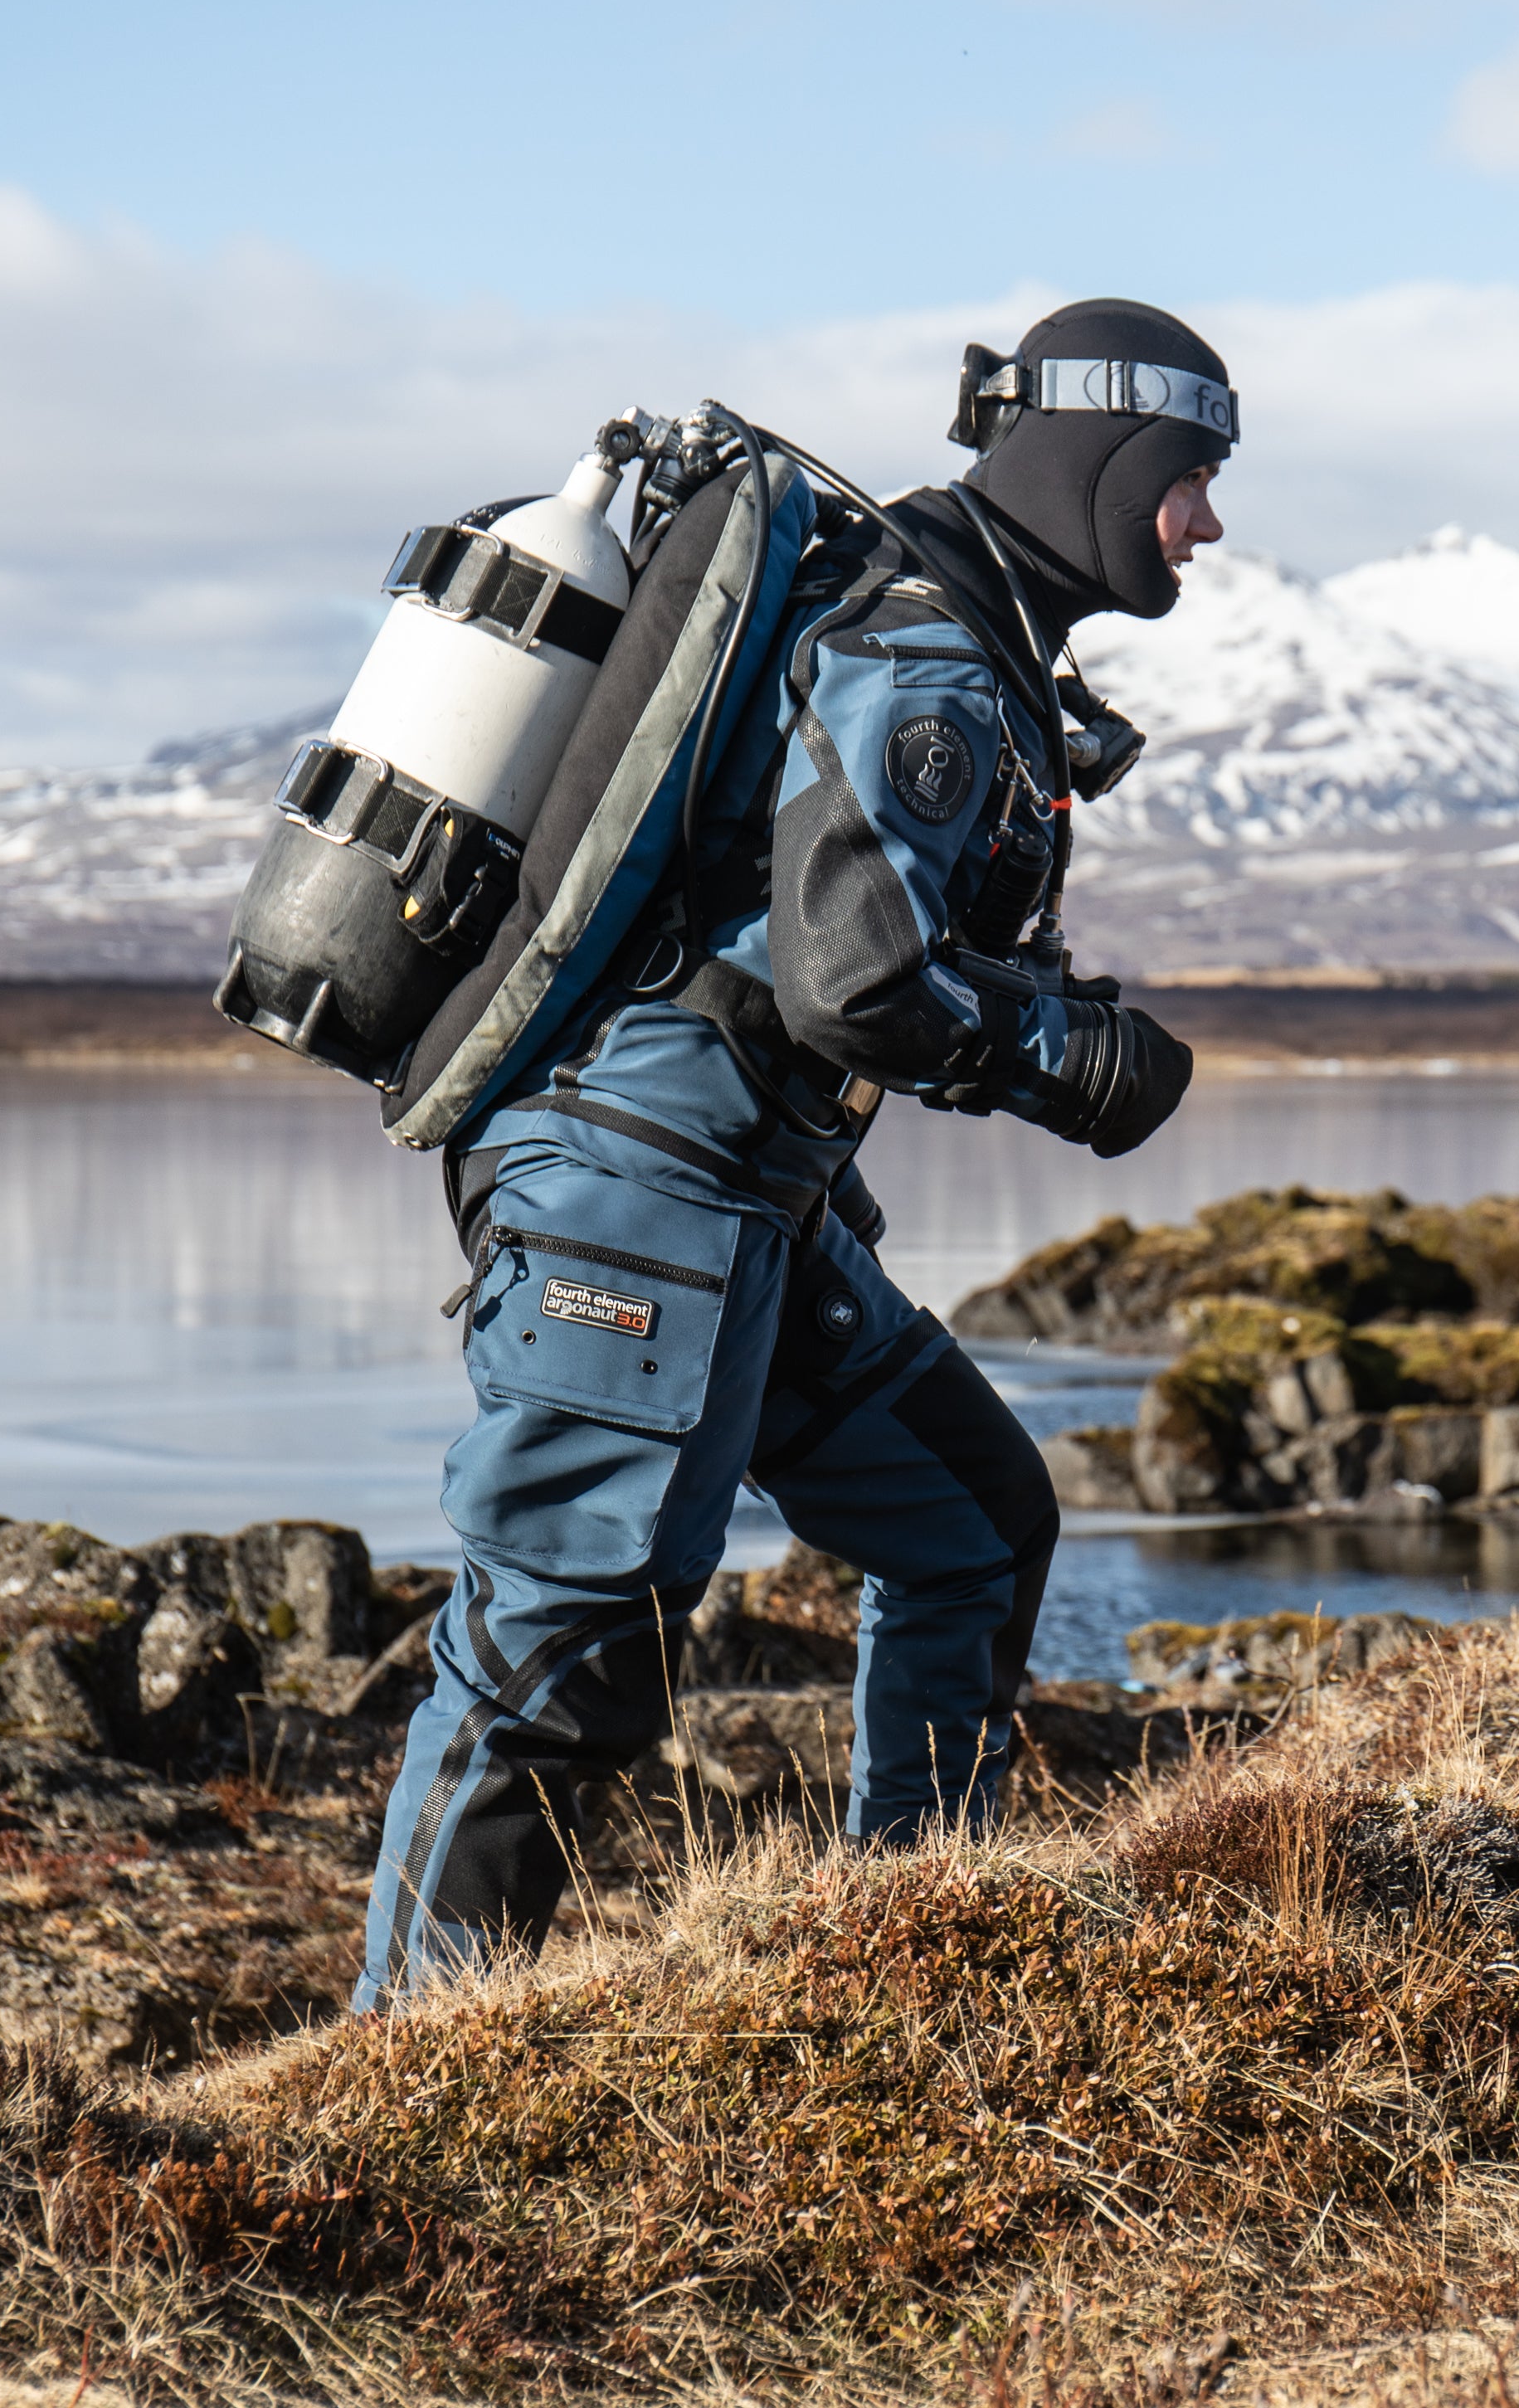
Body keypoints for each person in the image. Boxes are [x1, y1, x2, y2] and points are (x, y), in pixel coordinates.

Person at [353, 299, 1233, 2003]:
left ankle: (907, 1959)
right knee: (561, 1648)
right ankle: (394, 2079)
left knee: (973, 1521)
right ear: (1103, 460)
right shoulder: (923, 657)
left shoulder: (959, 635)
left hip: (742, 1194)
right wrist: (1073, 1058)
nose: (1202, 524)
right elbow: (859, 985)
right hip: (634, 1199)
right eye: (1189, 477)